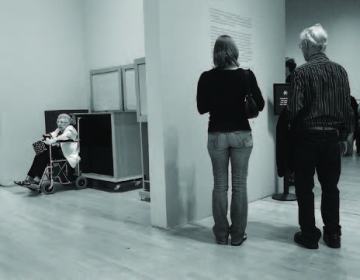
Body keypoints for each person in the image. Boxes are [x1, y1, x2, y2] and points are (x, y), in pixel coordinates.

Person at [288, 24, 353, 249]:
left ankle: (309, 235)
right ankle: (333, 234)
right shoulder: (340, 71)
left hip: (307, 138)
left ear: (307, 45)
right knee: (330, 187)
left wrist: (291, 135)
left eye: (301, 46)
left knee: (305, 189)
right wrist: (345, 136)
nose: (301, 50)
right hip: (332, 139)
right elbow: (347, 107)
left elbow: (294, 109)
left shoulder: (301, 72)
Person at [197, 35, 264, 246]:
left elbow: (201, 107)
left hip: (216, 134)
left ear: (215, 54)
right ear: (234, 52)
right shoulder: (246, 75)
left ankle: (220, 235)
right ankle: (237, 235)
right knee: (239, 186)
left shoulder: (206, 77)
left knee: (219, 186)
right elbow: (260, 104)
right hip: (241, 135)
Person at [14, 113, 80, 186]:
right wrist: (46, 138)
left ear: (67, 123)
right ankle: (30, 179)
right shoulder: (59, 129)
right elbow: (52, 134)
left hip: (67, 153)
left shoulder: (70, 129)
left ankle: (35, 179)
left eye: (62, 122)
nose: (59, 124)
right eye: (58, 122)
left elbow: (65, 136)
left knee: (43, 154)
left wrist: (53, 140)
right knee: (40, 154)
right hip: (60, 151)